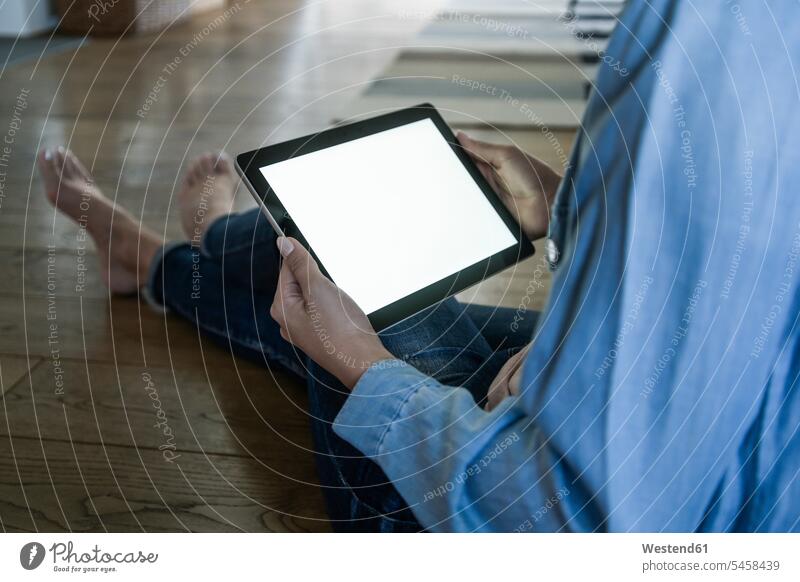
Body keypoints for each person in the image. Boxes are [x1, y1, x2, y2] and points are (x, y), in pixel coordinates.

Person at [39, 0, 800, 532]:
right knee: (366, 291)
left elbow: (559, 525)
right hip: (732, 461)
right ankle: (174, 255)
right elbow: (735, 296)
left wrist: (363, 366)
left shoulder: (699, 43)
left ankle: (195, 246)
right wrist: (581, 217)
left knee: (372, 302)